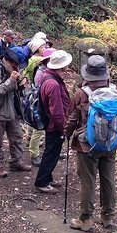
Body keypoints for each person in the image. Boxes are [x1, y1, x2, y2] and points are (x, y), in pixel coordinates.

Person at [65, 56, 117, 231]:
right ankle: (108, 217)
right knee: (108, 179)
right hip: (110, 144)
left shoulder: (81, 94)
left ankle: (86, 219)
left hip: (86, 146)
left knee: (88, 181)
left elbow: (71, 120)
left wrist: (66, 135)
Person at [0, 48, 32, 177]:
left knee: (17, 136)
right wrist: (11, 80)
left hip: (12, 110)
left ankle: (16, 162)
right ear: (5, 60)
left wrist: (20, 83)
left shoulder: (11, 69)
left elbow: (14, 89)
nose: (15, 67)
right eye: (13, 64)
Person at [34, 49, 72, 194]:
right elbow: (56, 111)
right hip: (54, 125)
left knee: (52, 152)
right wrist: (64, 128)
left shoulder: (47, 76)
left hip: (51, 123)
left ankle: (47, 177)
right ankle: (42, 181)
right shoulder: (53, 84)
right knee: (51, 152)